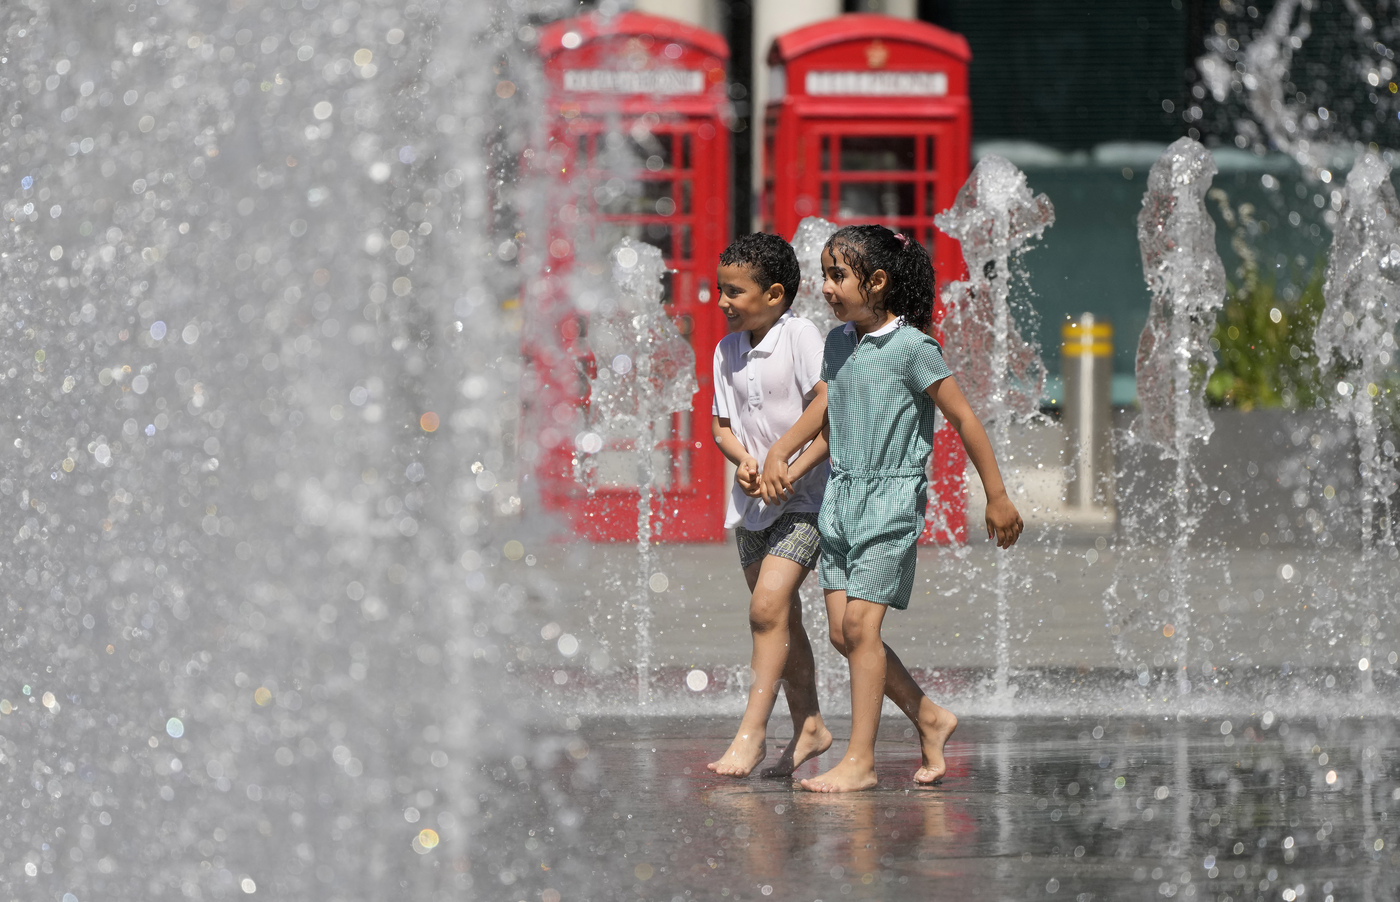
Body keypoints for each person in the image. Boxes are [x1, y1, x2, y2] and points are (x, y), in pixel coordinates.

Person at [782, 224, 1024, 793]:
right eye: (823, 273)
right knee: (844, 634)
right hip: (840, 496)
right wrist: (788, 469)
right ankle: (930, 717)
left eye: (837, 275)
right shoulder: (838, 344)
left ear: (878, 281)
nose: (825, 286)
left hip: (890, 499)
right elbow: (832, 425)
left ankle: (860, 761)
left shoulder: (913, 348)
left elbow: (965, 419)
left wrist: (996, 495)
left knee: (863, 626)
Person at [706, 233, 834, 778]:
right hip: (753, 505)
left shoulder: (800, 335)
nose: (721, 302)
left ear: (775, 294)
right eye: (719, 289)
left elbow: (827, 404)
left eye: (733, 292)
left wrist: (785, 456)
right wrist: (742, 459)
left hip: (805, 499)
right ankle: (810, 724)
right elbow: (721, 426)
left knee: (764, 610)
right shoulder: (725, 349)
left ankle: (751, 735)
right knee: (783, 615)